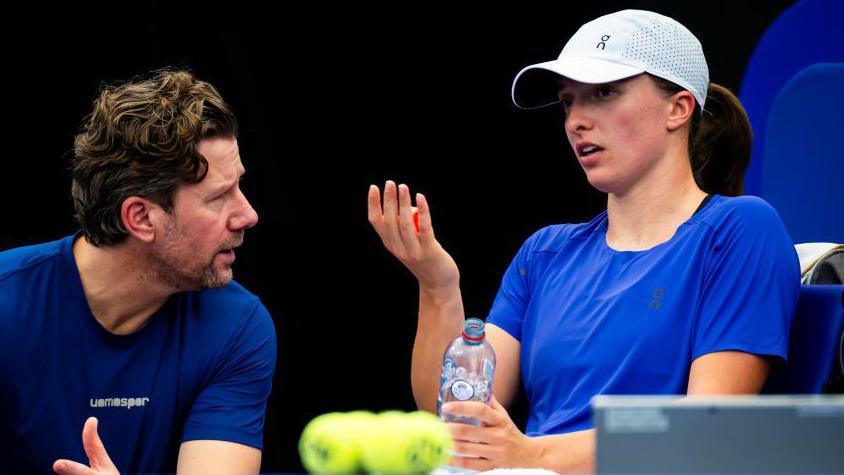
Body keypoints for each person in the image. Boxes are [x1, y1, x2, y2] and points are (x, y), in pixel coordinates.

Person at [367, 9, 800, 473]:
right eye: (569, 101)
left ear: (678, 108)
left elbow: (703, 432)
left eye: (604, 94)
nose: (576, 120)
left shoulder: (741, 228)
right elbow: (447, 421)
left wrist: (531, 455)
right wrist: (437, 287)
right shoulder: (545, 251)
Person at [0, 69, 275, 474]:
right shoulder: (7, 306)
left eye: (240, 187)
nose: (248, 215)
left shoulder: (237, 326)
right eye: (219, 197)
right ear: (141, 218)